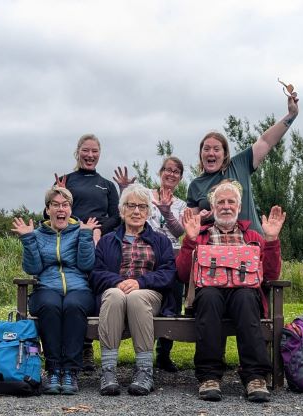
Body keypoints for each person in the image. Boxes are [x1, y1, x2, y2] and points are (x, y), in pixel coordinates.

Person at [176, 181, 286, 403]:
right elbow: (182, 273)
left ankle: (255, 376)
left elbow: (271, 275)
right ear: (214, 207)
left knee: (246, 297)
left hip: (243, 295)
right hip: (211, 294)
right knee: (207, 296)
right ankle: (209, 377)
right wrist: (189, 240)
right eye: (221, 202)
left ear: (238, 206)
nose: (226, 206)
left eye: (231, 202)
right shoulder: (201, 235)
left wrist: (272, 240)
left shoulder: (253, 237)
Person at [90, 183, 177, 396]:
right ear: (121, 211)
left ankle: (144, 371)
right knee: (113, 295)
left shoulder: (161, 241)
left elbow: (168, 272)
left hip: (149, 294)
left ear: (148, 212)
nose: (136, 211)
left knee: (137, 297)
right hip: (116, 293)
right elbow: (96, 273)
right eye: (131, 206)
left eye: (142, 206)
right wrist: (118, 281)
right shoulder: (107, 241)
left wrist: (141, 282)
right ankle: (109, 371)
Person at [11, 186, 98, 395]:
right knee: (50, 305)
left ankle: (70, 371)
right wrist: (28, 239)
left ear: (70, 209)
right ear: (48, 209)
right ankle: (53, 370)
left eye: (65, 205)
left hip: (78, 288)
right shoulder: (38, 234)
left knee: (73, 305)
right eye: (56, 205)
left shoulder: (80, 231)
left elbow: (87, 266)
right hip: (46, 287)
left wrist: (86, 237)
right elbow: (33, 269)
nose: (61, 209)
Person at [54, 133, 121, 371]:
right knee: (76, 289)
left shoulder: (107, 185)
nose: (90, 155)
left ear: (99, 154)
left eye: (94, 151)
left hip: (99, 241)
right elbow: (49, 214)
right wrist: (77, 225)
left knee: (96, 287)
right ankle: (80, 347)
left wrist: (97, 229)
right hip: (71, 241)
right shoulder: (64, 181)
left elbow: (117, 216)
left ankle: (92, 344)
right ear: (78, 152)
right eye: (86, 150)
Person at [187, 91, 298, 233]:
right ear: (201, 153)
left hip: (252, 241)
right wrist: (200, 219)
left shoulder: (240, 164)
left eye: (216, 149)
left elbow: (266, 141)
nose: (211, 153)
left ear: (225, 153)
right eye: (206, 149)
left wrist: (291, 115)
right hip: (216, 246)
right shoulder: (195, 185)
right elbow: (190, 223)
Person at [113, 157, 186, 372]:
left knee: (170, 304)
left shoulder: (181, 204)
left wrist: (166, 212)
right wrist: (124, 188)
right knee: (142, 298)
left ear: (180, 178)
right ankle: (142, 351)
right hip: (142, 250)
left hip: (169, 252)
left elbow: (179, 232)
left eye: (176, 172)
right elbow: (128, 210)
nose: (171, 174)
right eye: (167, 170)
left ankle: (164, 353)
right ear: (160, 172)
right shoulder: (145, 195)